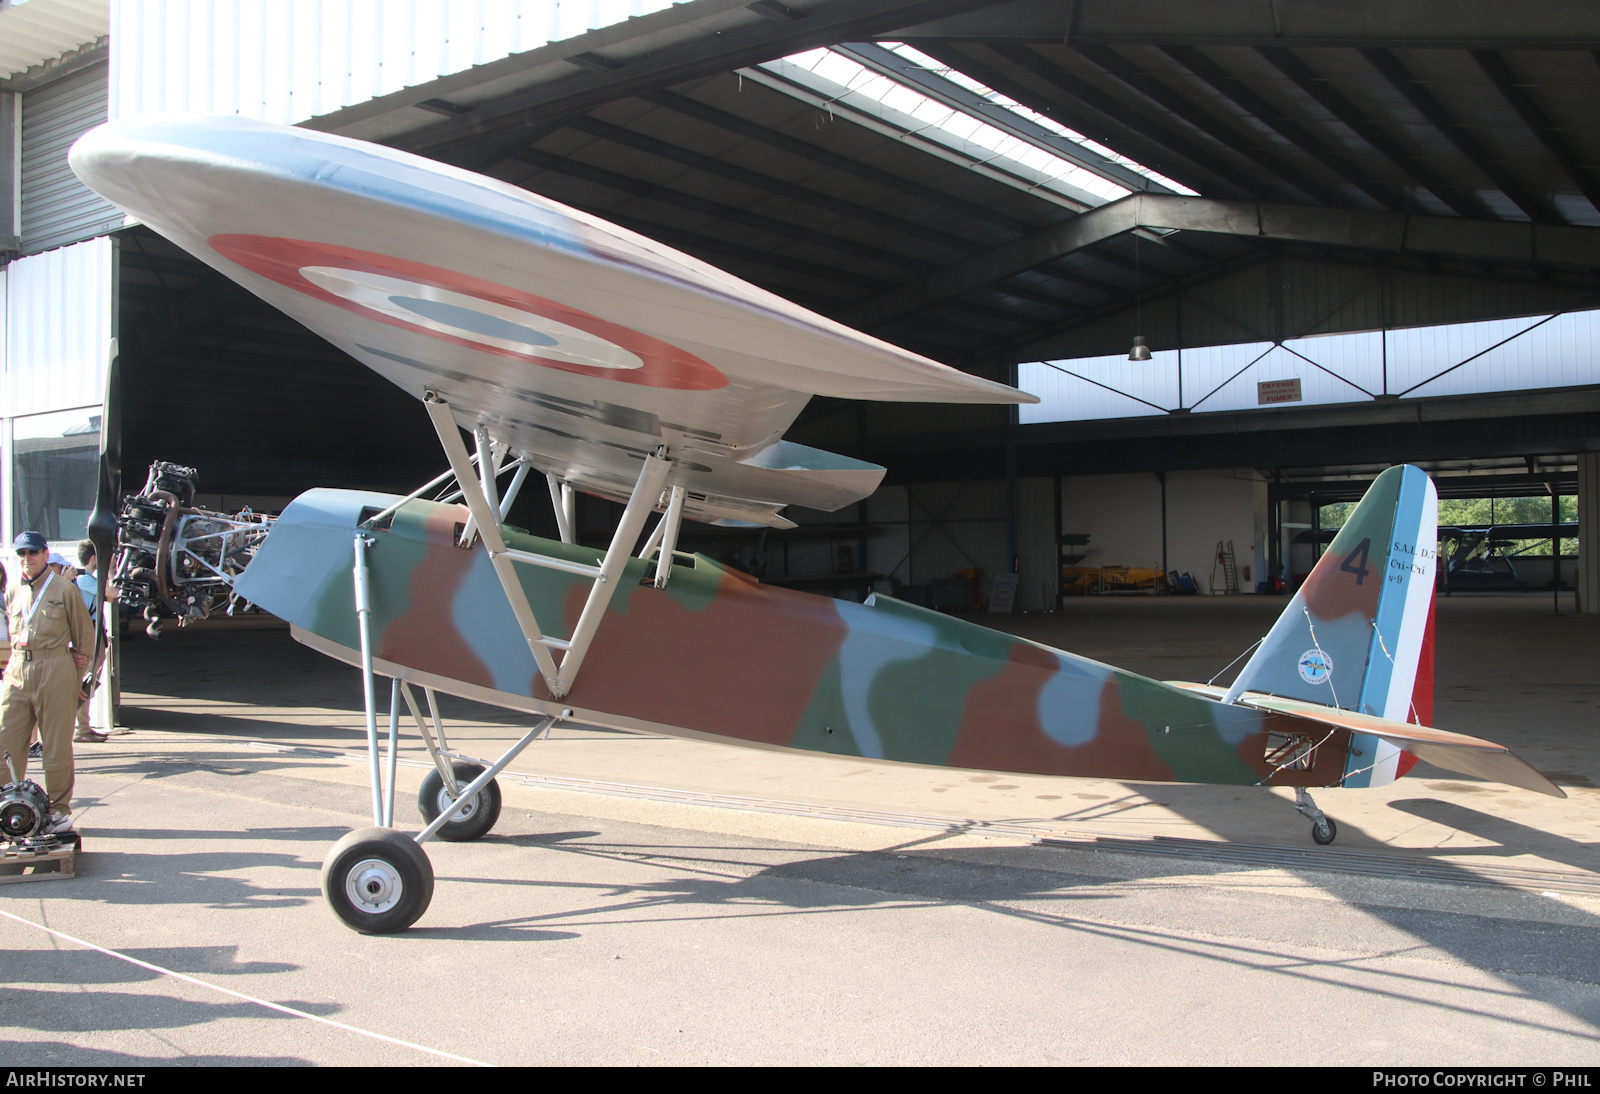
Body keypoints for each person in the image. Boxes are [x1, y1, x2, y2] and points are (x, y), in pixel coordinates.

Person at [0, 532, 95, 836]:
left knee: (55, 745)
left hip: (54, 665)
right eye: (22, 555)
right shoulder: (13, 589)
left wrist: (79, 678)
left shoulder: (64, 589)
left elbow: (84, 639)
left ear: (45, 554)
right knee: (6, 739)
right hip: (18, 666)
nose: (27, 560)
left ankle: (58, 811)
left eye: (33, 553)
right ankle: (8, 806)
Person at [73, 541, 107, 743]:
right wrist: (110, 572)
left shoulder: (86, 580)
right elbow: (111, 593)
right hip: (89, 635)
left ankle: (83, 726)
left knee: (90, 680)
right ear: (94, 558)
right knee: (87, 681)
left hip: (95, 633)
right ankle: (81, 728)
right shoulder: (84, 580)